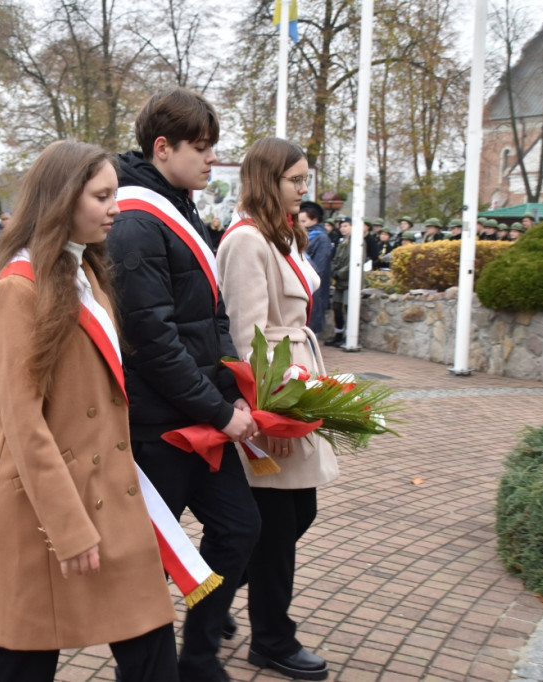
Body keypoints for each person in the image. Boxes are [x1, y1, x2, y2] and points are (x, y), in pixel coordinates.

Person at [0, 139, 178, 682]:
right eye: (102, 196)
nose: (116, 208)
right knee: (20, 660)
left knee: (151, 645)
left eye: (115, 194)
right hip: (44, 511)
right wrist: (68, 526)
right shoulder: (17, 290)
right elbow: (22, 421)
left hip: (109, 496)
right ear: (63, 199)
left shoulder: (87, 274)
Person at [106, 87, 260, 682]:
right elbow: (152, 338)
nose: (210, 160)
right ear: (162, 146)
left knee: (240, 529)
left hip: (198, 412)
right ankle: (145, 668)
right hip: (156, 426)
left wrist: (232, 388)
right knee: (146, 564)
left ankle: (198, 657)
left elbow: (212, 316)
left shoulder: (180, 206)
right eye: (200, 148)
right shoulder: (136, 222)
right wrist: (219, 412)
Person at [216, 137, 338, 681]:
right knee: (277, 524)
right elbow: (249, 338)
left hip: (295, 382)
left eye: (305, 178)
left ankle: (213, 600)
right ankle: (271, 638)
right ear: (269, 180)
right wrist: (270, 416)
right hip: (273, 392)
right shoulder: (246, 240)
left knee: (292, 517)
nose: (304, 187)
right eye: (295, 179)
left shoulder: (282, 234)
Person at [299, 200, 331, 335]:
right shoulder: (303, 236)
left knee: (310, 334)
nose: (300, 224)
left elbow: (319, 269)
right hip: (303, 289)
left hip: (314, 290)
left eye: (303, 221)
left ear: (315, 220)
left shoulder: (321, 238)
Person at [325, 216, 355, 347]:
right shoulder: (342, 242)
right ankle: (338, 334)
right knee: (336, 307)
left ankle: (349, 336)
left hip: (349, 281)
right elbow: (336, 259)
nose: (343, 229)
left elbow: (353, 263)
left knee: (349, 308)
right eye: (342, 226)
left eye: (346, 226)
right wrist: (332, 270)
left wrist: (339, 273)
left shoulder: (357, 242)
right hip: (339, 282)